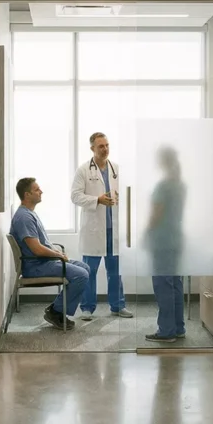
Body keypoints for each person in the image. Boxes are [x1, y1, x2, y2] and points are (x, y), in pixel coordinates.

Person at [10, 177, 90, 330]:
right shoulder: (24, 217)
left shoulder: (29, 213)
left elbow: (40, 245)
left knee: (84, 268)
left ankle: (57, 309)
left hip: (45, 261)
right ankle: (56, 311)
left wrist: (55, 252)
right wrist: (58, 255)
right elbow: (37, 249)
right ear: (27, 195)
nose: (41, 192)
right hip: (36, 266)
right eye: (37, 189)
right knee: (81, 275)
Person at [71, 132, 132, 320]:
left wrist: (122, 197)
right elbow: (75, 196)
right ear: (92, 149)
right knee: (90, 271)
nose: (105, 149)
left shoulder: (117, 169)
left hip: (113, 229)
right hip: (94, 230)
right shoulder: (83, 170)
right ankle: (87, 307)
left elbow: (128, 193)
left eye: (107, 145)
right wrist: (97, 200)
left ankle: (117, 305)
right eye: (100, 146)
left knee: (116, 271)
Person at [144, 146, 187, 343]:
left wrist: (146, 232)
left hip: (162, 241)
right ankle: (178, 328)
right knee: (175, 284)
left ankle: (166, 331)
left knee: (163, 285)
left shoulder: (163, 186)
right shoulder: (180, 184)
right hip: (176, 239)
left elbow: (156, 215)